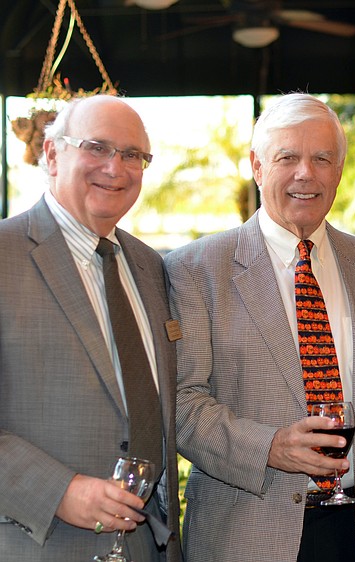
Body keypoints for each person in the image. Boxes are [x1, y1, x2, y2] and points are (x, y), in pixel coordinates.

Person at [165, 93, 355, 562]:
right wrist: (270, 447)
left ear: (339, 172)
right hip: (247, 532)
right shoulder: (196, 269)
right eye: (288, 157)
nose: (306, 173)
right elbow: (179, 402)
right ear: (257, 166)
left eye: (322, 158)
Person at [0, 95, 182, 561]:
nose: (115, 168)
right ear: (52, 153)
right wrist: (59, 491)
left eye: (133, 155)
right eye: (97, 147)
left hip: (145, 548)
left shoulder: (150, 267)